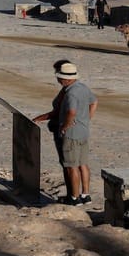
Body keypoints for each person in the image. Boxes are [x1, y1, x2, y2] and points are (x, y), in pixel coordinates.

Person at [35, 62, 97, 205]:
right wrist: (87, 119)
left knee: (71, 166)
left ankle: (74, 198)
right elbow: (94, 102)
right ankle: (85, 195)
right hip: (83, 131)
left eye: (59, 77)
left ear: (66, 79)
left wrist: (64, 126)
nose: (58, 80)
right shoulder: (82, 87)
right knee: (83, 164)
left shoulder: (71, 93)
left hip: (71, 135)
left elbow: (71, 112)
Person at [32, 59, 73, 199]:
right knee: (66, 164)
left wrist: (40, 118)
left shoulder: (68, 91)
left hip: (62, 130)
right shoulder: (66, 89)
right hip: (58, 128)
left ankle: (72, 195)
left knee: (68, 164)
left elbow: (59, 111)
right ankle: (72, 194)